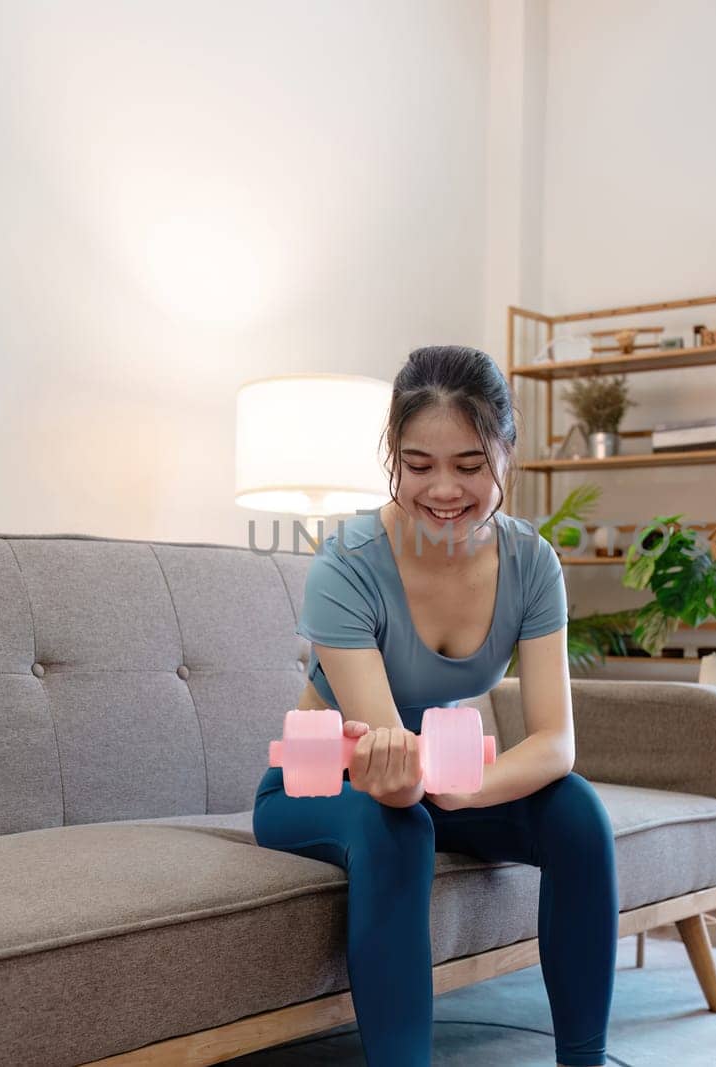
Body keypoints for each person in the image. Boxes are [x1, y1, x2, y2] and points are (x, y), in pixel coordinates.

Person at [253, 345, 619, 1067]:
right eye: (419, 465)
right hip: (328, 781)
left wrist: (470, 785)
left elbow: (554, 741)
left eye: (470, 465)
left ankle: (585, 1060)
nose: (444, 489)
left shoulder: (532, 564)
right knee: (396, 825)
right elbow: (388, 761)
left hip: (443, 781)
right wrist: (425, 783)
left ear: (507, 454)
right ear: (393, 455)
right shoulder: (348, 564)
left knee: (576, 813)